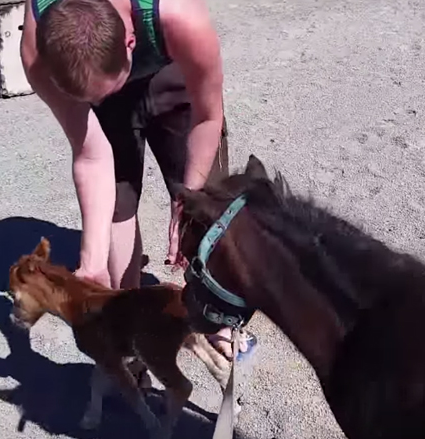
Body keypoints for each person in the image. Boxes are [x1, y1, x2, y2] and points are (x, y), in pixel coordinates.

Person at [19, 0, 257, 361]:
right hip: (100, 73)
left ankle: (218, 320)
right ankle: (130, 321)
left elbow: (208, 117)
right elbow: (90, 153)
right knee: (117, 200)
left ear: (131, 41)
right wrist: (92, 259)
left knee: (208, 199)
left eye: (106, 92)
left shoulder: (180, 16)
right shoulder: (38, 51)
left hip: (170, 69)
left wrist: (187, 203)